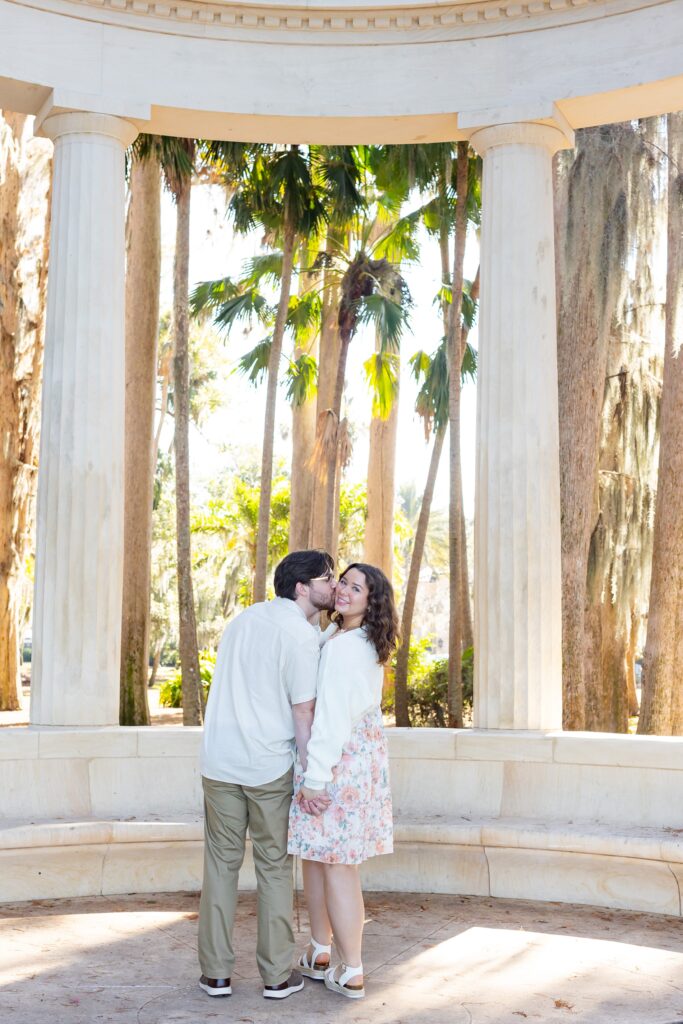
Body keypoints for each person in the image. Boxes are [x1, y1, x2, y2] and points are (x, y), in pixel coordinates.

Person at [197, 549, 336, 1001]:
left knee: (220, 865)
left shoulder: (244, 620)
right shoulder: (297, 635)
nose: (333, 585)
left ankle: (215, 975)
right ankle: (277, 976)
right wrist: (313, 774)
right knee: (274, 868)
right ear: (302, 587)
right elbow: (303, 711)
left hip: (219, 762)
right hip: (267, 766)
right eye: (326, 578)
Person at [287, 562, 399, 1001]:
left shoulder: (345, 647)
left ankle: (351, 968)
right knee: (315, 857)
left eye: (357, 588)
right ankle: (319, 950)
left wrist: (315, 778)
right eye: (344, 584)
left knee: (337, 865)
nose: (344, 591)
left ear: (372, 602)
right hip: (346, 758)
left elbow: (332, 717)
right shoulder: (343, 638)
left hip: (336, 763)